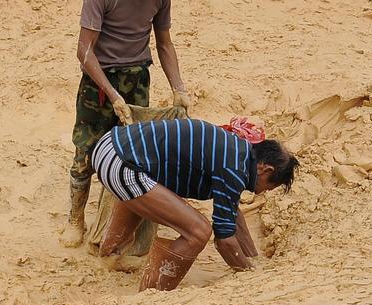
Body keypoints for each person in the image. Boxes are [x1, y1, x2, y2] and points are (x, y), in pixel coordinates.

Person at [62, 0, 203, 249]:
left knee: (135, 155)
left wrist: (178, 88)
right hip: (100, 81)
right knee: (87, 149)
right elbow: (84, 51)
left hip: (138, 76)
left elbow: (164, 44)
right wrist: (112, 95)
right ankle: (75, 218)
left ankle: (117, 226)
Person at [94, 117, 299, 290]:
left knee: (141, 190)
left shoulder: (237, 152)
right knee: (199, 231)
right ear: (266, 170)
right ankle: (152, 294)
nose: (263, 192)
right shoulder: (236, 168)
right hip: (121, 164)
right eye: (268, 187)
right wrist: (249, 274)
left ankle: (111, 255)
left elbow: (232, 214)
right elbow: (224, 240)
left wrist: (254, 258)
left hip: (111, 147)